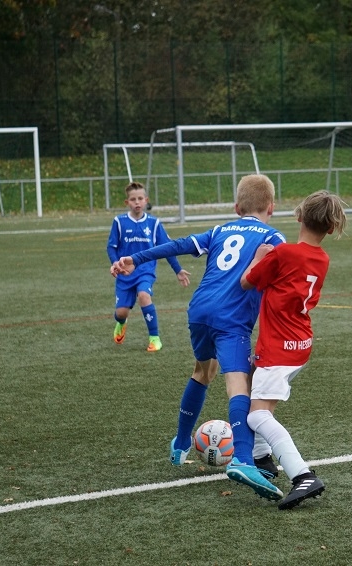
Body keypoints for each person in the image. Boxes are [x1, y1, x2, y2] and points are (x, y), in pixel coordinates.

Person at [110, 174, 286, 500]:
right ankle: (243, 459)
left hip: (199, 310)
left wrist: (135, 258)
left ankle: (180, 443)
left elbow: (178, 244)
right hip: (231, 317)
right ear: (271, 208)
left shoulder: (219, 230)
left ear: (236, 207)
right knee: (239, 384)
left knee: (204, 371)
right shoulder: (273, 237)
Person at [241, 190, 348, 510]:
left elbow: (247, 281)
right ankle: (263, 458)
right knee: (255, 389)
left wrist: (259, 257)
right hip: (300, 343)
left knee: (258, 414)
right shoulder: (322, 258)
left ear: (299, 216)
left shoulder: (284, 253)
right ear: (331, 228)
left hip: (279, 347)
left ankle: (302, 475)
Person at [107, 182, 191, 352]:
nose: (137, 202)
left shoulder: (153, 223)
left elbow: (167, 248)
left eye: (140, 198)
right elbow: (111, 247)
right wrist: (115, 262)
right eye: (133, 199)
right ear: (127, 202)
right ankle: (121, 322)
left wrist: (178, 270)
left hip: (145, 271)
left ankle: (154, 338)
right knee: (121, 313)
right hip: (124, 273)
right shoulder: (119, 222)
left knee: (144, 296)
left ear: (146, 200)